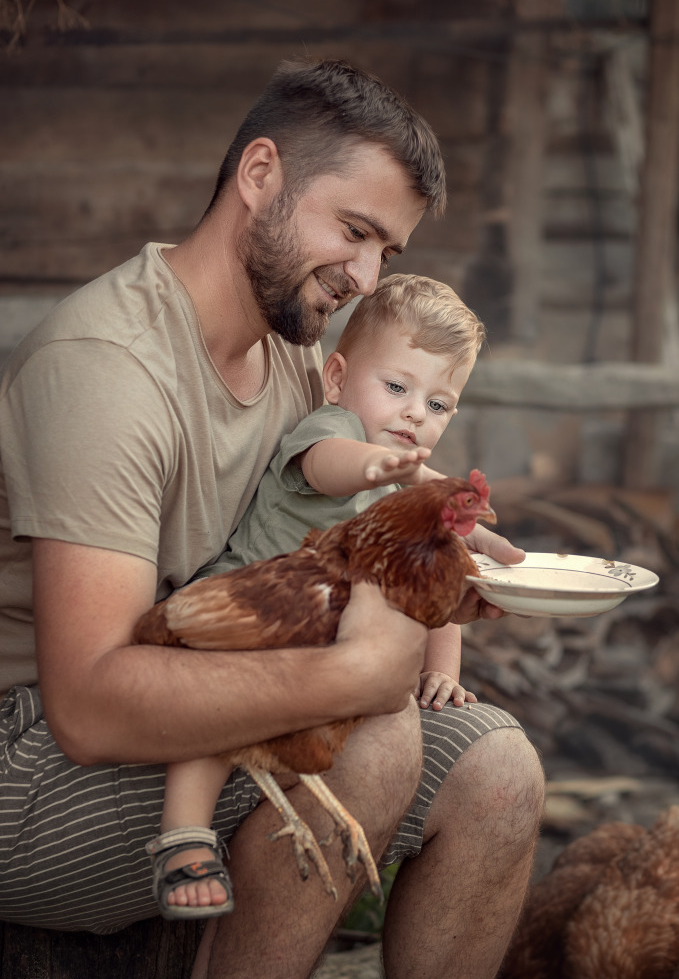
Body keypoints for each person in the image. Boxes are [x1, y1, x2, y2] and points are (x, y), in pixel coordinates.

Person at [0, 58, 544, 979]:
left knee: (499, 775)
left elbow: (345, 504)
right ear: (260, 177)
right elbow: (87, 707)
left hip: (204, 681)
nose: (368, 279)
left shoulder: (291, 355)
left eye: (388, 254)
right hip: (33, 755)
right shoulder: (106, 369)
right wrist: (355, 672)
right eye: (354, 231)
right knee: (371, 739)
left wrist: (438, 534)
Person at [150, 272, 484, 919]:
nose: (416, 414)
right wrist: (374, 467)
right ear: (336, 378)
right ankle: (182, 836)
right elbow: (329, 464)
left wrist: (442, 671)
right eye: (396, 388)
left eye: (438, 405)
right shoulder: (331, 432)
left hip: (314, 643)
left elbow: (436, 581)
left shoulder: (405, 483)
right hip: (246, 611)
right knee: (217, 713)